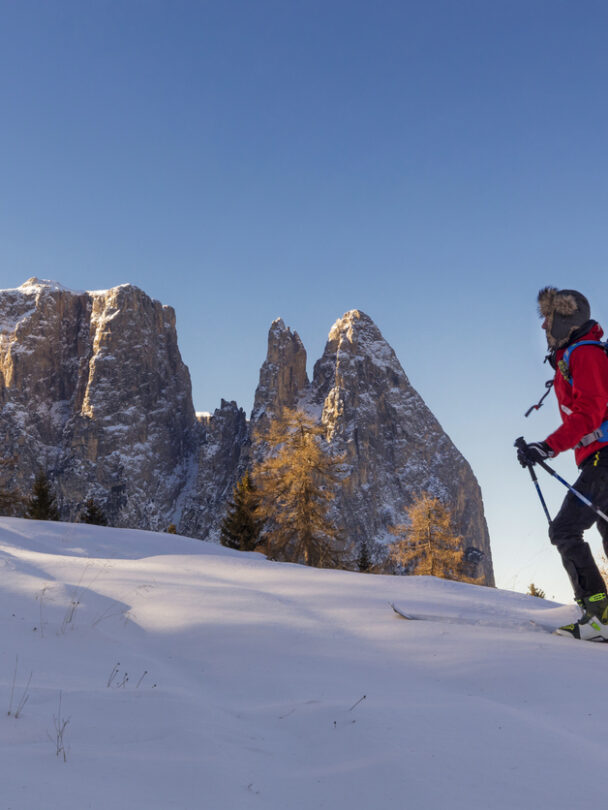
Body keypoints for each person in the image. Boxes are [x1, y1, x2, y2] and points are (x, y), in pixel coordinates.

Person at [517, 286, 608, 641]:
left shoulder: (584, 354)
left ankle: (599, 615)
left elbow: (590, 412)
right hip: (599, 458)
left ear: (566, 321)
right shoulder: (574, 355)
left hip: (604, 458)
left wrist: (547, 447)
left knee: (565, 530)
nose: (543, 327)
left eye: (548, 318)